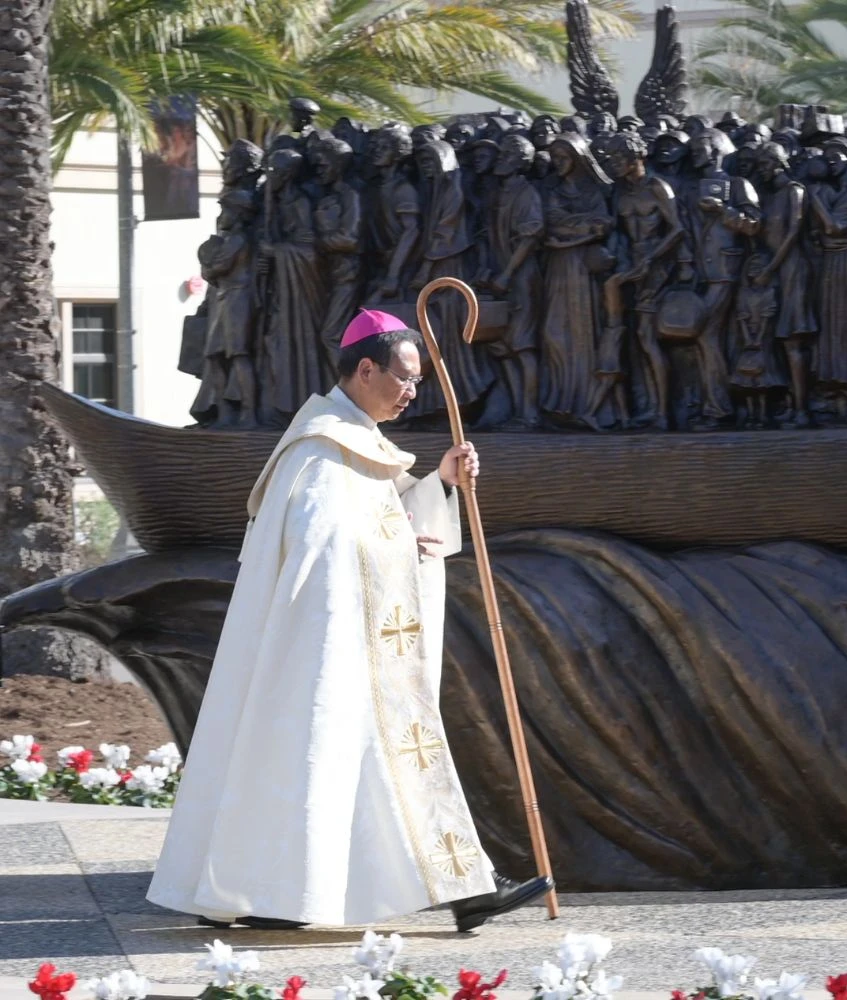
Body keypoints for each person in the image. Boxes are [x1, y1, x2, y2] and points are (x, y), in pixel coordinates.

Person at [147, 309, 552, 933]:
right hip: (324, 646)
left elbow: (376, 521)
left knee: (367, 765)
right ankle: (285, 895)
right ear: (366, 369)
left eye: (418, 380)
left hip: (355, 641)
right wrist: (399, 545)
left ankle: (453, 887)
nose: (413, 391)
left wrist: (439, 485)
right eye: (404, 378)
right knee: (328, 758)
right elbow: (323, 545)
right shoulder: (320, 448)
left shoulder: (355, 443)